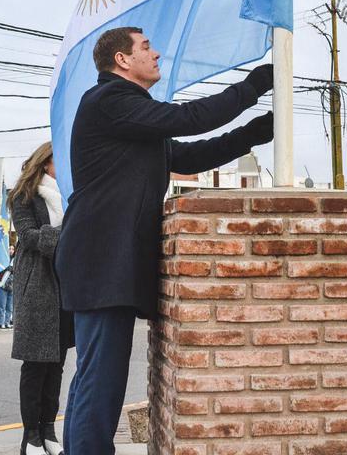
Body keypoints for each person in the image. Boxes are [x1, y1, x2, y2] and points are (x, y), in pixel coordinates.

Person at [54, 27, 275, 454]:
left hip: (102, 259)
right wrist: (254, 85)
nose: (156, 54)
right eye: (146, 47)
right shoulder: (109, 101)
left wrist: (252, 133)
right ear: (122, 60)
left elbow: (189, 155)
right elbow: (188, 118)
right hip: (102, 258)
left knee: (95, 378)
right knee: (100, 382)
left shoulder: (131, 117)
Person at [12, 142, 73, 455]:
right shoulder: (23, 195)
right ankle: (31, 436)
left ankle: (49, 429)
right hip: (37, 284)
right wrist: (65, 233)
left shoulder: (69, 196)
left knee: (58, 364)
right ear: (46, 162)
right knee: (35, 365)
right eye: (60, 160)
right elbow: (28, 237)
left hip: (65, 285)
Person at [0, 244, 16, 330]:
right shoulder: (2, 260)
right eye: (9, 249)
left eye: (12, 249)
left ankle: (7, 322)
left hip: (12, 285)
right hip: (3, 285)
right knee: (2, 306)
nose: (11, 250)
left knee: (9, 306)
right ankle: (1, 323)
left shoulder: (16, 260)